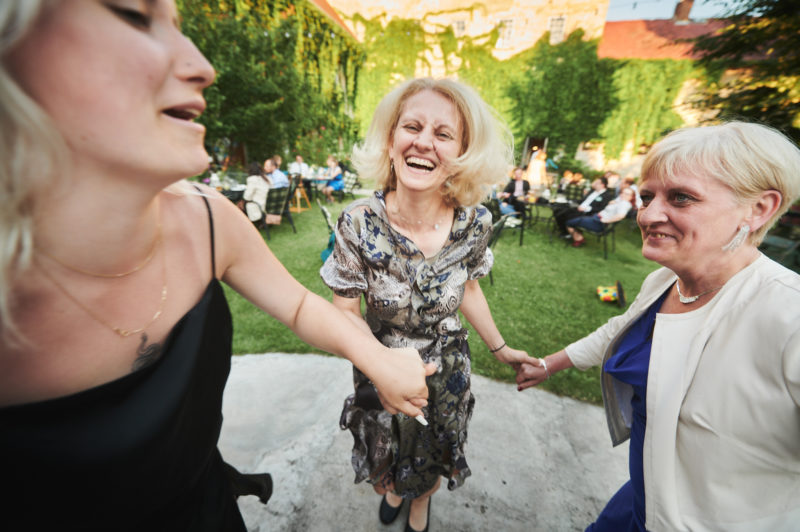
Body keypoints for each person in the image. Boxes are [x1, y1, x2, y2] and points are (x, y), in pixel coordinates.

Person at [0, 2, 435, 529]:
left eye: (179, 26)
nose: (202, 66)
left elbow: (299, 305)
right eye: (136, 15)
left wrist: (378, 360)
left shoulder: (209, 218)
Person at [517, 121, 800, 531]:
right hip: (640, 502)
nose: (648, 215)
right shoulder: (665, 281)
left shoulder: (789, 315)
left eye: (681, 197)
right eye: (647, 196)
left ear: (758, 209)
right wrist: (549, 365)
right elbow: (619, 328)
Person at [321, 78, 537, 532]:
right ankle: (396, 491)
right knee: (388, 455)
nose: (423, 142)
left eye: (443, 134)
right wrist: (381, 368)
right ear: (391, 139)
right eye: (412, 127)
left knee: (436, 448)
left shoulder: (474, 224)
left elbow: (469, 290)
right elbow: (344, 312)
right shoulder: (358, 223)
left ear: (462, 153)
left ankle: (420, 504)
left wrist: (501, 349)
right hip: (378, 366)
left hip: (446, 371)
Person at [567, 187, 635, 247]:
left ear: (631, 197)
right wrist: (612, 202)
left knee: (569, 222)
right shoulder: (621, 200)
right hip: (596, 218)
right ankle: (578, 236)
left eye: (627, 194)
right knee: (576, 217)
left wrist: (605, 220)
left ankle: (579, 239)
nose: (623, 195)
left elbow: (621, 216)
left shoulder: (625, 204)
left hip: (599, 223)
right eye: (622, 192)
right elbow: (612, 205)